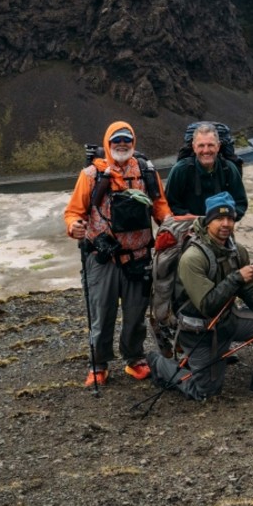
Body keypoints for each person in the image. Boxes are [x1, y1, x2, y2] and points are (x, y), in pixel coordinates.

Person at [147, 192, 253, 397]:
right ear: (208, 221)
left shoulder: (238, 251)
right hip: (199, 330)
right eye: (219, 218)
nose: (225, 223)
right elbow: (207, 305)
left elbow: (249, 292)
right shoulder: (193, 257)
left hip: (227, 321)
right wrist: (237, 278)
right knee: (205, 392)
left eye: (230, 218)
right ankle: (159, 363)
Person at [64, 120, 171, 386]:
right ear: (108, 144)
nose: (121, 144)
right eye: (116, 141)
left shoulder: (146, 171)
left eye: (126, 140)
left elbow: (159, 205)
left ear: (133, 143)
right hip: (103, 259)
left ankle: (134, 360)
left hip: (139, 257)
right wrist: (73, 227)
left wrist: (170, 226)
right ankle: (98, 365)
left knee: (135, 314)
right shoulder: (91, 175)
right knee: (102, 313)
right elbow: (74, 212)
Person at [164, 122, 248, 218]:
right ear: (194, 147)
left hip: (220, 229)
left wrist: (225, 217)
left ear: (218, 146)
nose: (206, 150)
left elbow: (240, 203)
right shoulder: (180, 170)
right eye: (201, 146)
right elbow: (170, 203)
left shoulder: (228, 169)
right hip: (188, 228)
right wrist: (190, 218)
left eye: (210, 145)